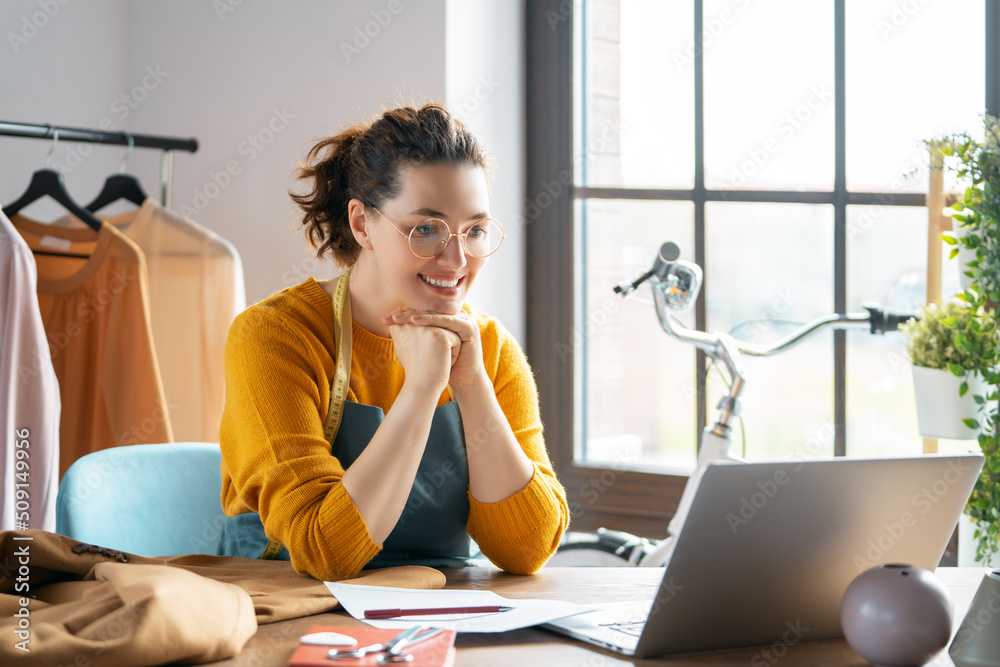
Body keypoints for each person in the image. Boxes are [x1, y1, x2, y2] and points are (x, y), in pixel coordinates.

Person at [217, 102, 569, 581]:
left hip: (441, 610)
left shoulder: (489, 346)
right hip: (297, 608)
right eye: (426, 228)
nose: (457, 259)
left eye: (475, 231)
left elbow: (527, 550)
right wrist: (422, 389)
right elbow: (323, 551)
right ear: (362, 224)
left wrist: (471, 384)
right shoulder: (276, 338)